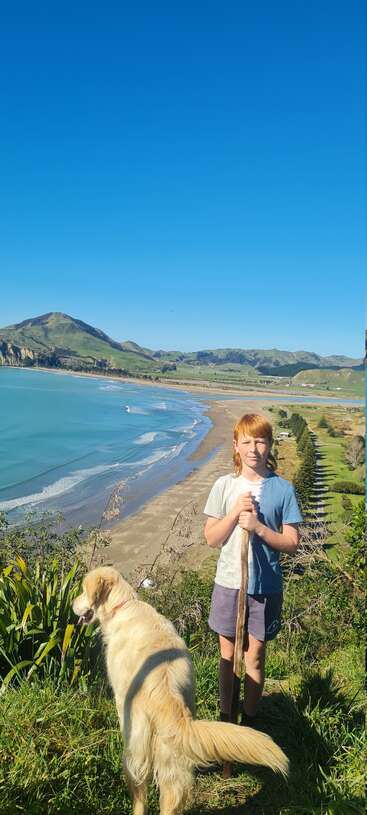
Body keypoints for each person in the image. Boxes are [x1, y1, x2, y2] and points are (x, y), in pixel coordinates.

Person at [204, 412, 303, 727]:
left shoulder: (283, 490)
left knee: (254, 657)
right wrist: (235, 512)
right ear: (235, 445)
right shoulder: (223, 485)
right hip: (229, 583)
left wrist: (258, 527)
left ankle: (250, 720)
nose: (253, 448)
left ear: (270, 445)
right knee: (227, 657)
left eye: (260, 441)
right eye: (246, 441)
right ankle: (225, 717)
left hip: (265, 587)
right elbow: (211, 538)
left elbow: (291, 542)